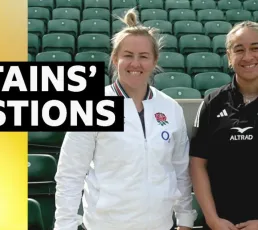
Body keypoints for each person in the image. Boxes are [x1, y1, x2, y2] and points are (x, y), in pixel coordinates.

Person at [54, 8, 197, 230]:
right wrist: (64, 225)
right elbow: (69, 174)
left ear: (155, 60)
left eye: (143, 57)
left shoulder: (170, 108)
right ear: (115, 58)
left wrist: (185, 219)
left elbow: (180, 171)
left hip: (160, 225)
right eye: (128, 56)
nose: (135, 64)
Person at [190, 21, 258, 230]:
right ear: (229, 57)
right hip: (221, 224)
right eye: (239, 49)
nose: (247, 57)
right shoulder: (213, 102)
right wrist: (212, 219)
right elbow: (197, 163)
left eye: (255, 48)